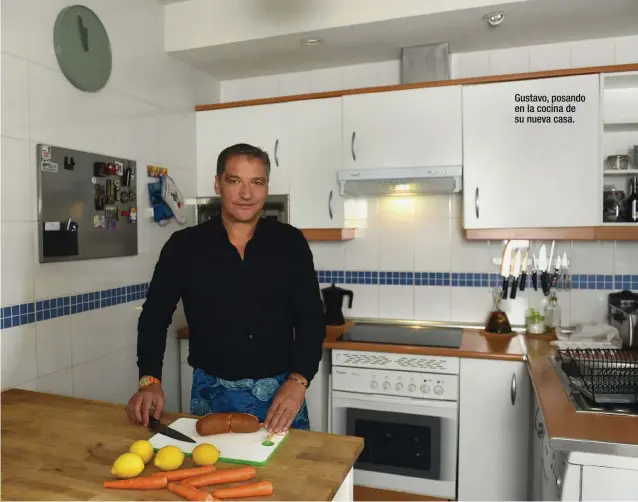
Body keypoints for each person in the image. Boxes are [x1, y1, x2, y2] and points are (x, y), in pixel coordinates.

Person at [125, 143, 326, 434]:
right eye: (235, 181)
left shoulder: (290, 243)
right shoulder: (184, 246)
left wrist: (298, 382)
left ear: (266, 187)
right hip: (211, 393)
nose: (246, 194)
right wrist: (149, 381)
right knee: (215, 473)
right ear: (218, 184)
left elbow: (310, 318)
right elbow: (154, 317)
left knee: (288, 475)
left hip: (282, 394)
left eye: (256, 182)